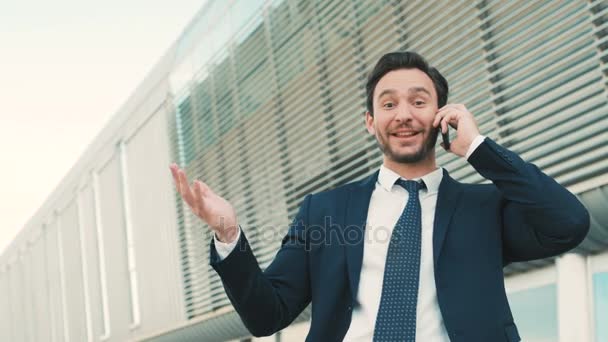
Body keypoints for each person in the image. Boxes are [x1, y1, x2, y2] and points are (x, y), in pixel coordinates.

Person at [169, 51, 590, 342]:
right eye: (388, 104)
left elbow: (568, 223)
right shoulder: (325, 211)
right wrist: (227, 233)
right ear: (370, 122)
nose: (404, 113)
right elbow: (267, 315)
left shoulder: (484, 209)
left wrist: (478, 147)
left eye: (419, 101)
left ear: (442, 116)